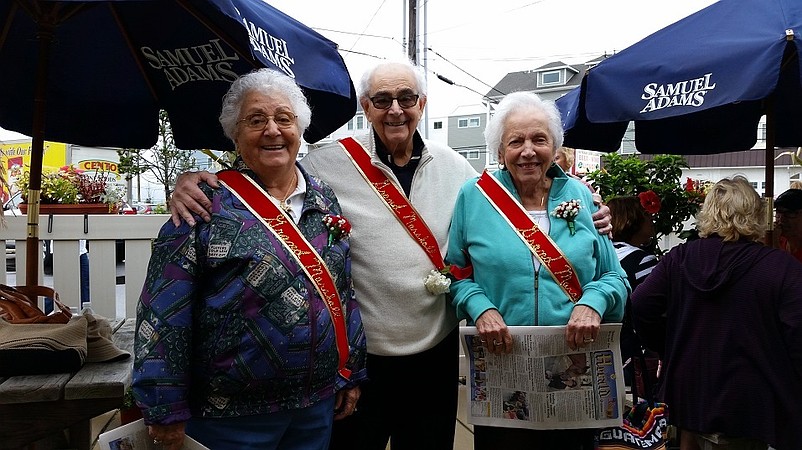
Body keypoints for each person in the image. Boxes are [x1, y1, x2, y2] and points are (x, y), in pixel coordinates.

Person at [168, 58, 614, 450]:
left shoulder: (458, 170)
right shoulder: (326, 163)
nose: (395, 109)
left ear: (422, 104)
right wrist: (196, 179)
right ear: (366, 108)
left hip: (434, 354)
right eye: (382, 99)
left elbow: (514, 204)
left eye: (406, 97)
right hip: (365, 361)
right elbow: (271, 164)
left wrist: (591, 211)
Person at [131, 68, 367, 450]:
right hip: (229, 416)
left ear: (300, 129)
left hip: (315, 406)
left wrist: (351, 372)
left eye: (284, 119)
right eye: (256, 120)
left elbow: (344, 292)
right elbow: (163, 315)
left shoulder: (324, 200)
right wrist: (164, 409)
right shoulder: (203, 205)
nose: (272, 130)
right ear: (235, 134)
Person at [444, 90, 628, 450]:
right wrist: (480, 307)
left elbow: (615, 277)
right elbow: (455, 273)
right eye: (516, 141)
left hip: (573, 368)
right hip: (504, 367)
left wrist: (593, 301)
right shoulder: (474, 197)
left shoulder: (582, 195)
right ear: (500, 152)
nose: (528, 151)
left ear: (555, 148)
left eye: (539, 139)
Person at [631, 176, 802, 450]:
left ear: (708, 213)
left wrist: (668, 345)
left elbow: (640, 304)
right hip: (751, 400)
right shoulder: (781, 267)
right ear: (755, 214)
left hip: (689, 394)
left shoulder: (679, 259)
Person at [606, 196, 658, 388]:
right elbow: (652, 308)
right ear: (632, 220)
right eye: (646, 215)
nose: (651, 220)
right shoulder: (642, 261)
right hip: (631, 355)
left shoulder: (601, 254)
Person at [774, 188, 802, 262]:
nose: (781, 219)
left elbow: (787, 271)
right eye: (778, 212)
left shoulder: (775, 241)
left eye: (789, 213)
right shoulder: (776, 238)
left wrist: (775, 246)